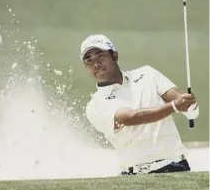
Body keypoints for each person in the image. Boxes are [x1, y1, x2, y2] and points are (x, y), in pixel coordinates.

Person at [79, 34, 199, 175]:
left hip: (175, 167)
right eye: (89, 60)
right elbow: (130, 118)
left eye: (100, 56)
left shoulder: (148, 74)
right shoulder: (95, 106)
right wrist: (173, 106)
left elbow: (184, 105)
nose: (96, 64)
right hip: (134, 176)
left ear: (115, 56)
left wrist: (190, 106)